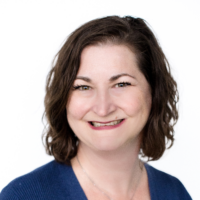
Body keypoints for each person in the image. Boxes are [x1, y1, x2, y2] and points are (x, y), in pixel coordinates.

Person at [0, 16, 192, 200]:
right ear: (64, 100)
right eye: (83, 87)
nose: (103, 108)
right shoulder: (23, 196)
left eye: (122, 84)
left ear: (154, 91)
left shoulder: (175, 193)